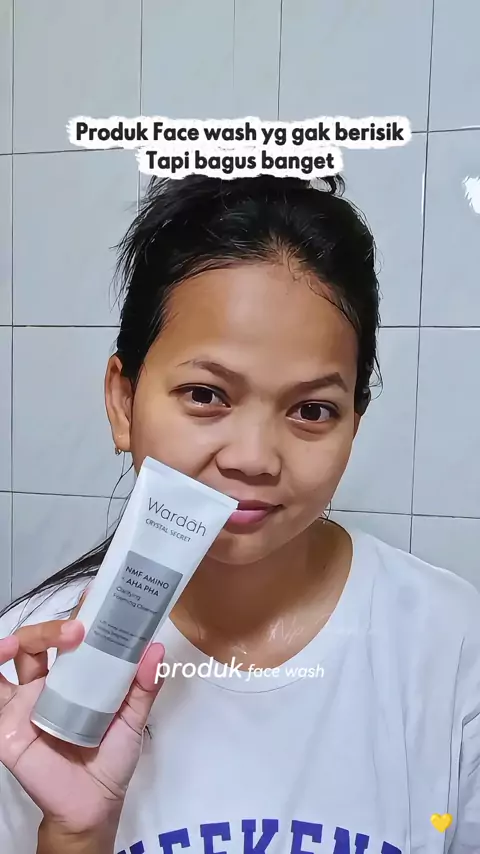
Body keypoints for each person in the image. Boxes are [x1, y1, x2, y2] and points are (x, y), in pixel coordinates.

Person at [0, 173, 479, 854]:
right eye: (206, 395)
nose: (254, 458)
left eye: (312, 410)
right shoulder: (28, 671)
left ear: (354, 424)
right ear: (123, 403)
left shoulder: (452, 646)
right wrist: (75, 834)